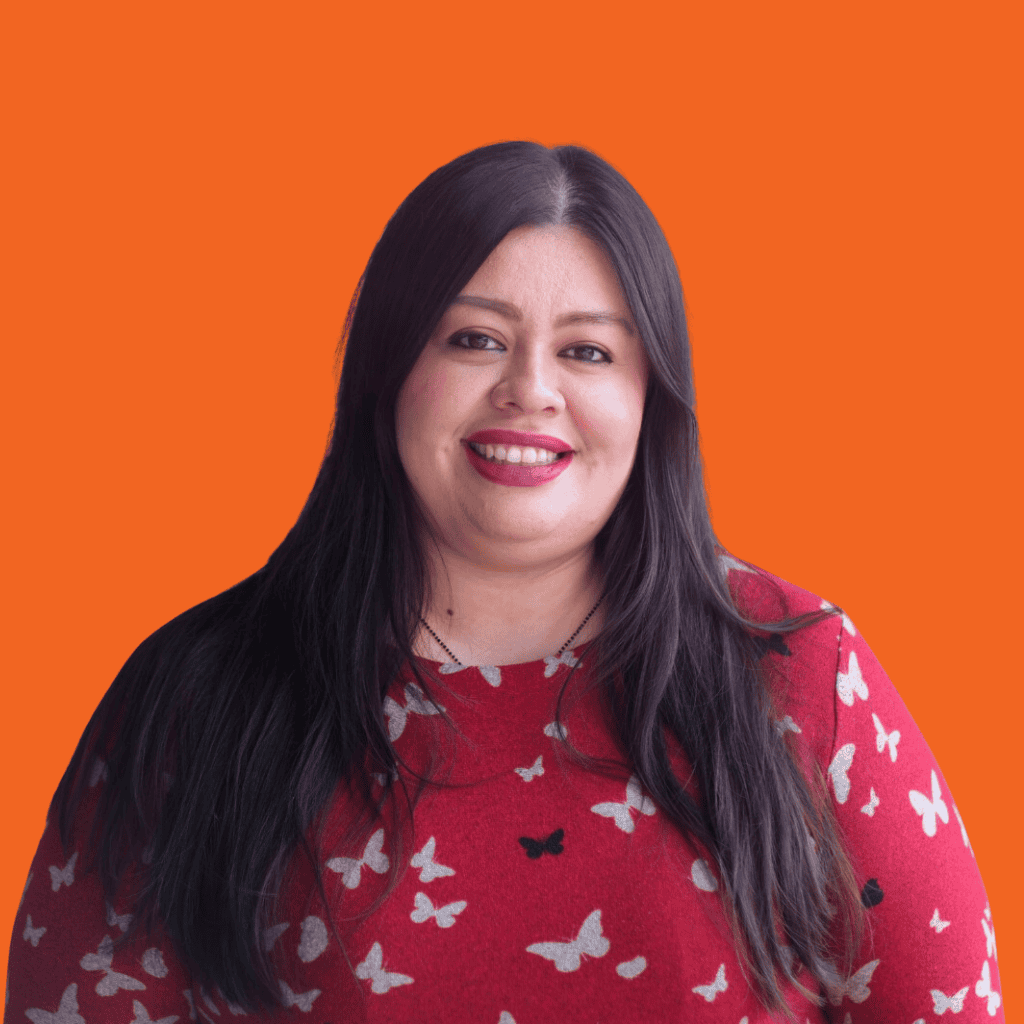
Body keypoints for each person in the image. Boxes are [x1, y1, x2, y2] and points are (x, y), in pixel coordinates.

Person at [5, 142, 1003, 1023]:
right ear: (389, 369)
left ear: (650, 399)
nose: (530, 388)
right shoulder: (197, 697)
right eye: (474, 338)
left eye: (587, 351)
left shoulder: (799, 672)